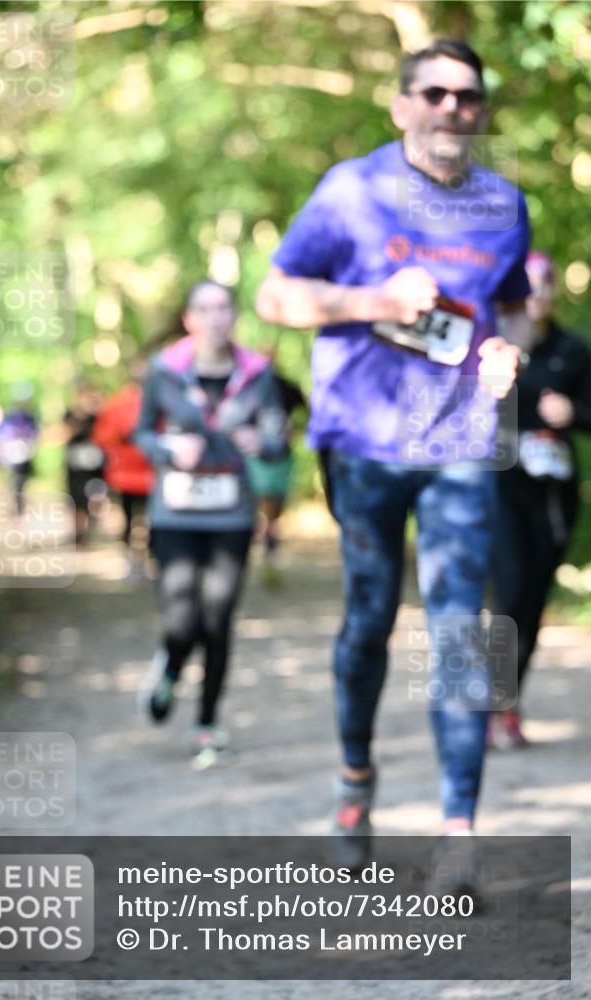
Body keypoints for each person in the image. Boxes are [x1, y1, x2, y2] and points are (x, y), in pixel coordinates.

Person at [256, 39, 534, 877]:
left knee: (461, 631)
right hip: (364, 443)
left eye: (468, 97)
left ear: (481, 111)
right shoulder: (352, 190)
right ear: (401, 105)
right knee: (368, 621)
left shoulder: (504, 204)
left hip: (459, 441)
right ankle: (354, 778)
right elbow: (274, 295)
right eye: (436, 93)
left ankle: (457, 833)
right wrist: (373, 300)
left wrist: (507, 353)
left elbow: (514, 310)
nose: (453, 108)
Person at [133, 279, 287, 768]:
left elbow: (278, 435)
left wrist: (260, 442)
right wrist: (168, 449)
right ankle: (170, 667)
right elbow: (140, 432)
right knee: (182, 619)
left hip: (232, 513)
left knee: (218, 620)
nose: (215, 317)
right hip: (175, 511)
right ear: (189, 319)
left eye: (224, 308)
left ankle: (206, 722)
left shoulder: (257, 373)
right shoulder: (165, 371)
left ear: (234, 316)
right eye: (205, 309)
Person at [491, 251, 591, 748]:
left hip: (553, 498)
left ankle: (506, 703)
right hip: (502, 490)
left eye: (546, 285)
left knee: (531, 603)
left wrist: (572, 411)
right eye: (528, 286)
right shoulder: (493, 346)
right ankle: (489, 704)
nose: (538, 295)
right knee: (507, 597)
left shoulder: (573, 350)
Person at [244, 356, 307, 588]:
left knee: (273, 507)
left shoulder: (287, 387)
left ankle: (268, 551)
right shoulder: (247, 387)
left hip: (280, 454)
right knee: (253, 502)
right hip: (253, 455)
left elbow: (306, 413)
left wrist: (294, 430)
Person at [92, 361, 156, 582]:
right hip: (126, 475)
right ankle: (133, 559)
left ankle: (150, 558)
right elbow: (103, 436)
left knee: (153, 520)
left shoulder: (160, 399)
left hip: (153, 474)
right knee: (130, 519)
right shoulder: (118, 402)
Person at [62, 383, 106, 545]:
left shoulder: (99, 418)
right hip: (76, 467)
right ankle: (79, 534)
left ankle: (91, 526)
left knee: (95, 498)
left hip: (95, 467)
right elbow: (65, 434)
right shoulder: (70, 416)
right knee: (76, 500)